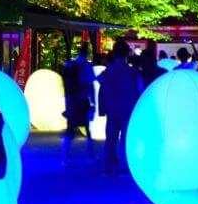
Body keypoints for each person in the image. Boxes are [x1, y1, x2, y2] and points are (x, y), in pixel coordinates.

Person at [98, 41, 144, 175]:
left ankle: (108, 166)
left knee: (111, 139)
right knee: (125, 139)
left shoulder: (108, 71)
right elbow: (138, 90)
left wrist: (102, 108)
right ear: (126, 54)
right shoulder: (132, 71)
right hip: (128, 109)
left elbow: (102, 89)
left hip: (112, 109)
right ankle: (125, 166)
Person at [60, 45, 96, 166]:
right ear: (87, 53)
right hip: (82, 100)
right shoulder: (87, 67)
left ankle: (64, 159)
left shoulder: (69, 65)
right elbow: (90, 87)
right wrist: (94, 103)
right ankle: (90, 156)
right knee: (87, 129)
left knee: (70, 129)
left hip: (71, 101)